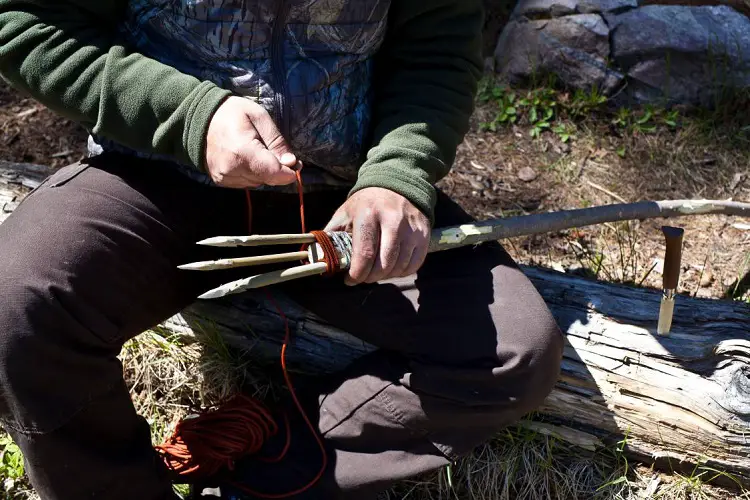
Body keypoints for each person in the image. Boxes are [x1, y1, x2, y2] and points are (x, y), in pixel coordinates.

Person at [0, 1, 564, 499]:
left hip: (341, 197)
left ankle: (265, 473)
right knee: (16, 303)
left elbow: (437, 48)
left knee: (513, 352)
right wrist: (191, 116)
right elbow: (24, 24)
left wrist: (398, 173)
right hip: (151, 173)